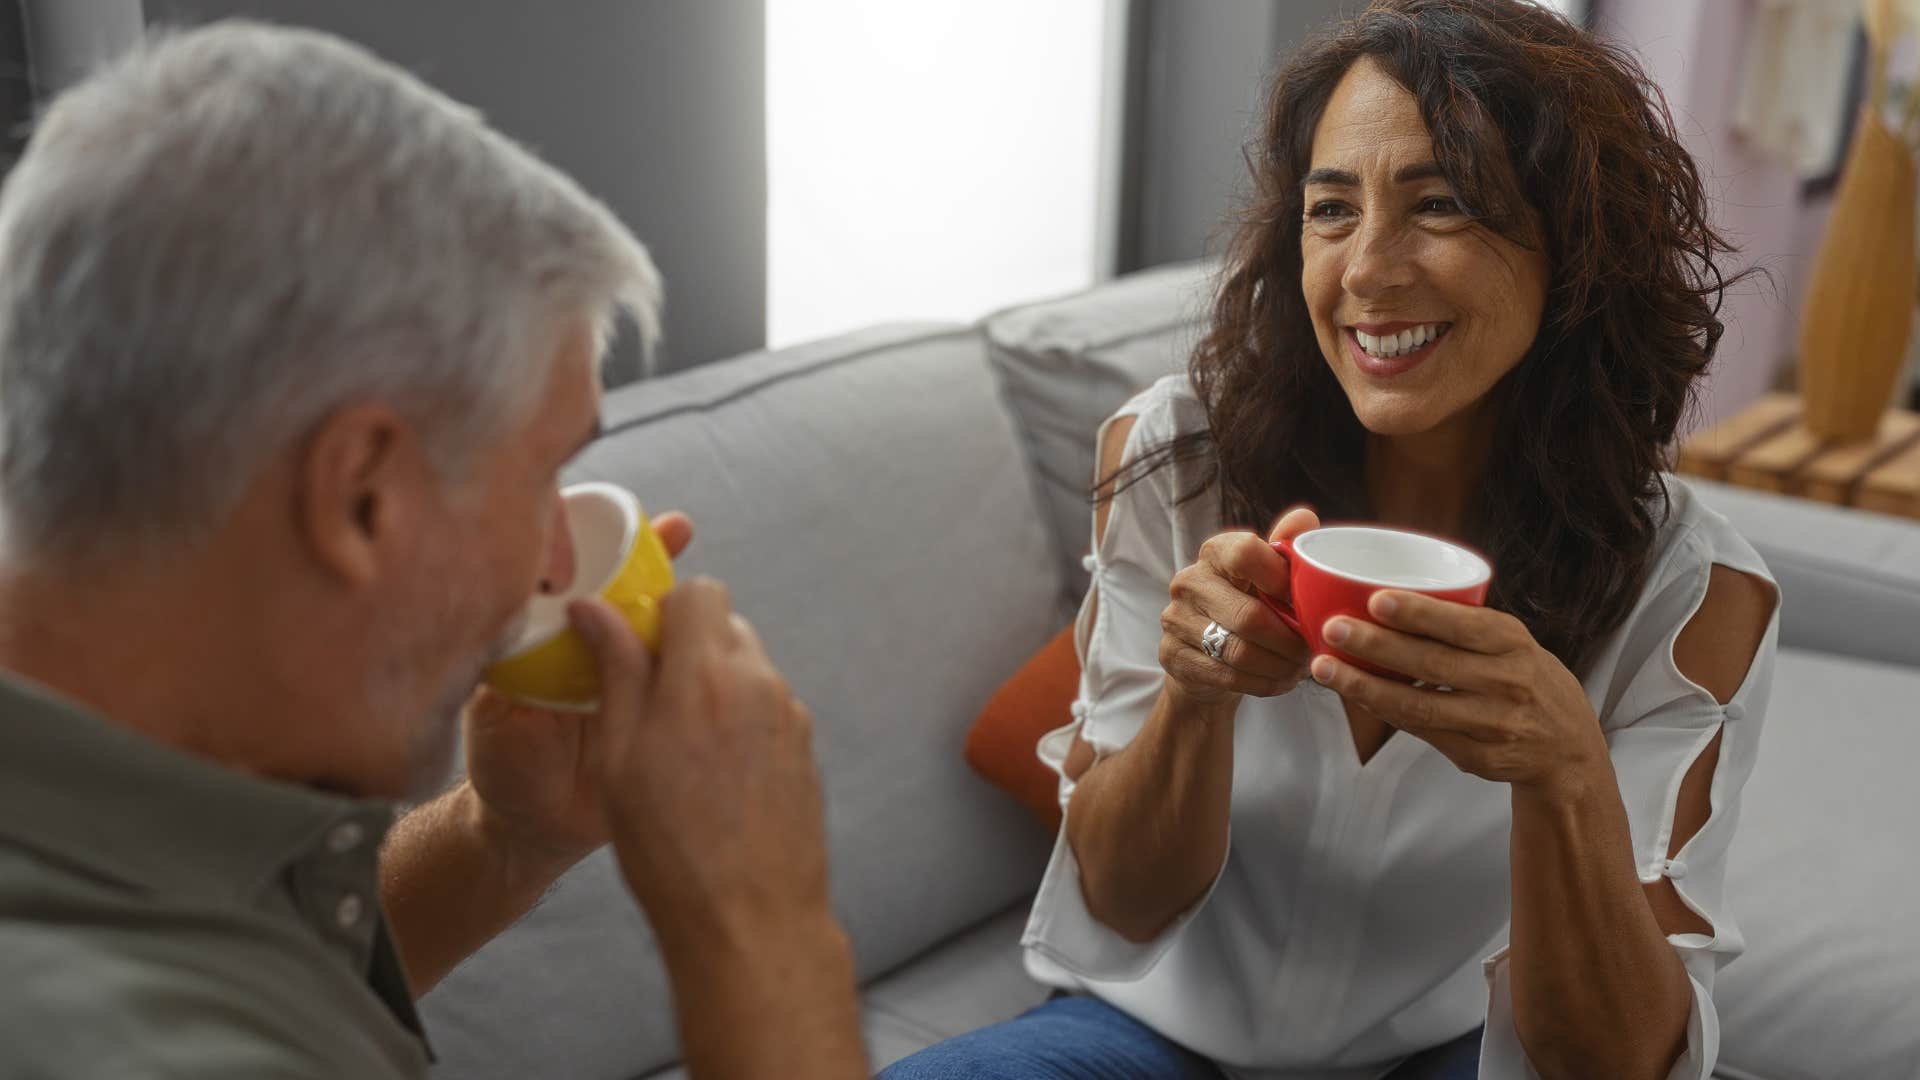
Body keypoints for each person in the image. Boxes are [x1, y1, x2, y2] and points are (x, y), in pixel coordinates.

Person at [882, 2, 1779, 1078]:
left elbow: (1614, 1062)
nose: (1365, 270)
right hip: (1148, 1035)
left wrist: (1565, 773)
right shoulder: (1180, 459)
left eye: (1439, 204)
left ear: (1576, 247)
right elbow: (1117, 905)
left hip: (1452, 1052)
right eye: (1332, 208)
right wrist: (1192, 699)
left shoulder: (1692, 590)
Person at [0, 22, 865, 1080]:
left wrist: (507, 841)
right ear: (362, 494)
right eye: (543, 472)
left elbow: (255, 976)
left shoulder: (131, 793)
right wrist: (761, 924)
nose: (556, 560)